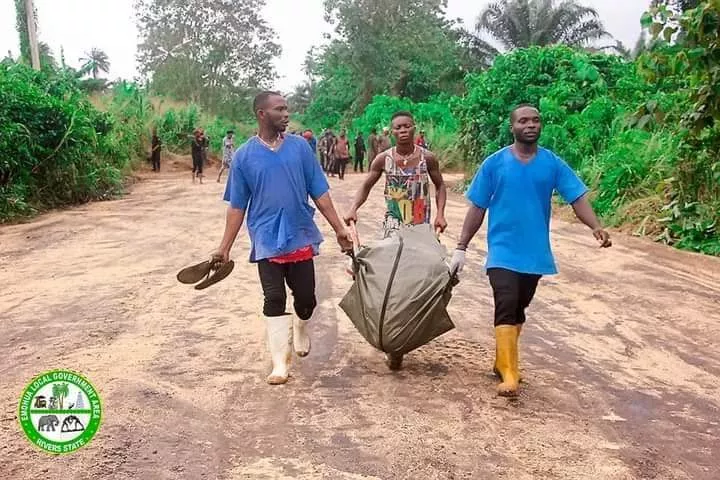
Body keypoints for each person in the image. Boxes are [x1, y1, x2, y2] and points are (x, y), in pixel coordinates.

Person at [449, 104, 612, 397]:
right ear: (512, 127)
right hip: (501, 251)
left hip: (535, 252)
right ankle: (511, 375)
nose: (531, 125)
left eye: (536, 120)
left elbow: (576, 197)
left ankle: (502, 361)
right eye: (523, 121)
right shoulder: (494, 164)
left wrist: (595, 226)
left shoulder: (552, 164)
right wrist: (461, 246)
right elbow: (478, 208)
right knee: (507, 301)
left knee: (520, 306)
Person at [213, 91, 353, 385]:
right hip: (265, 237)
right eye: (279, 109)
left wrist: (339, 228)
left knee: (306, 300)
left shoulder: (301, 148)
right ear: (261, 114)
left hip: (299, 233)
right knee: (273, 298)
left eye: (287, 109)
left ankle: (301, 327)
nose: (286, 114)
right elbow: (237, 207)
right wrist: (223, 248)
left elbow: (320, 193)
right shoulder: (244, 157)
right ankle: (280, 364)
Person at [344, 110, 448, 370]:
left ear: (414, 128)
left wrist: (441, 214)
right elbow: (366, 186)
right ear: (391, 132)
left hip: (421, 225)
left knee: (419, 278)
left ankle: (405, 334)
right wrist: (353, 207)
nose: (402, 131)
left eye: (407, 126)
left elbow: (441, 186)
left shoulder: (427, 158)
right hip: (393, 225)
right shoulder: (383, 159)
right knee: (389, 277)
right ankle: (393, 341)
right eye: (397, 127)